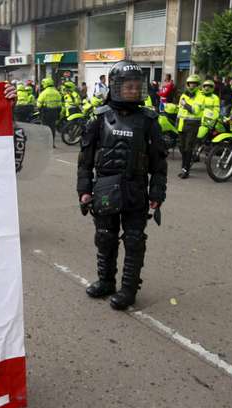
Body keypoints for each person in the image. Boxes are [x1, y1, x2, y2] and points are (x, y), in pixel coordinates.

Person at [77, 60, 167, 310]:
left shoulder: (149, 120)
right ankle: (106, 281)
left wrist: (157, 192)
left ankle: (128, 289)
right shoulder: (99, 117)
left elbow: (159, 161)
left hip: (136, 189)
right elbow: (85, 159)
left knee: (135, 240)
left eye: (137, 86)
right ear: (116, 87)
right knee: (105, 237)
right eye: (128, 86)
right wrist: (84, 190)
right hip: (104, 188)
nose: (133, 90)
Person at [176, 74, 203, 178]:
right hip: (182, 124)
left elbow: (195, 110)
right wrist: (177, 123)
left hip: (192, 125)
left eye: (194, 84)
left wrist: (185, 104)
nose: (191, 86)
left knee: (188, 148)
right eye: (190, 84)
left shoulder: (200, 96)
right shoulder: (184, 95)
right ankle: (184, 167)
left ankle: (186, 170)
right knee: (182, 148)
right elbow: (179, 110)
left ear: (197, 85)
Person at [36, 77, 62, 147]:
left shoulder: (44, 93)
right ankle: (52, 143)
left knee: (45, 128)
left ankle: (45, 143)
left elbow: (38, 104)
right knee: (52, 128)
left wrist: (40, 109)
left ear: (46, 84)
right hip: (54, 113)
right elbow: (60, 105)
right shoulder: (57, 92)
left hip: (45, 113)